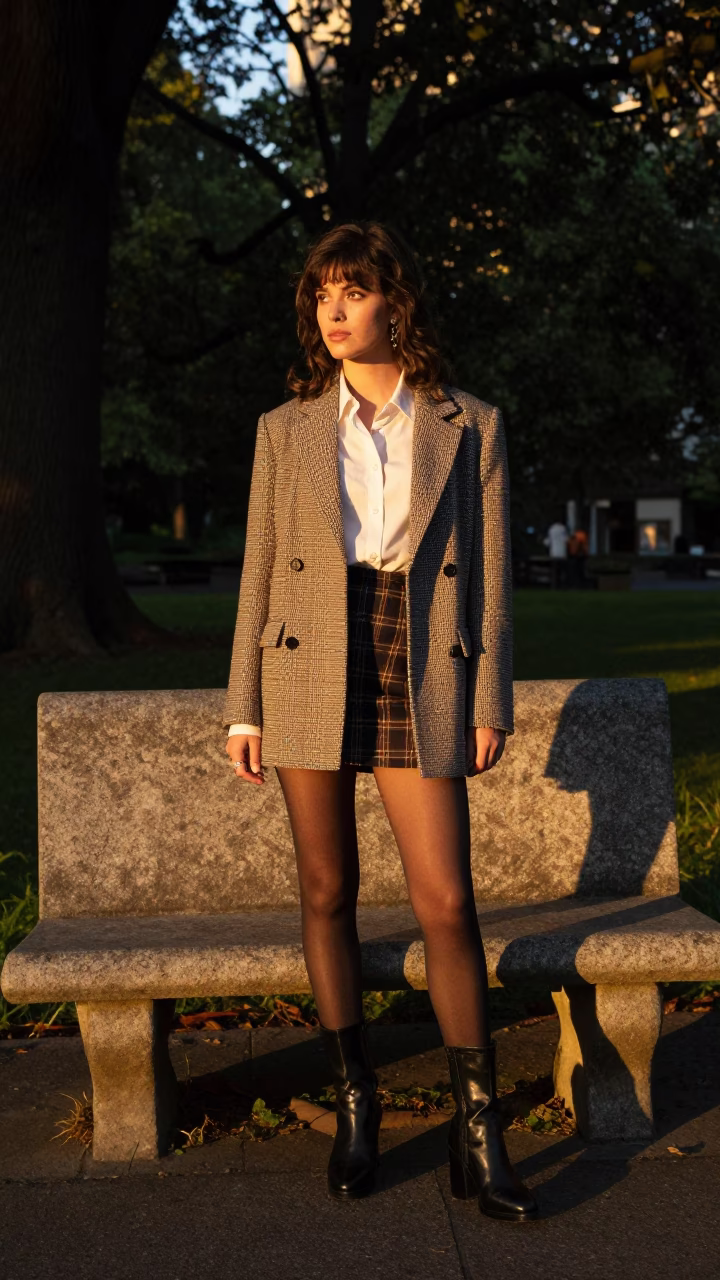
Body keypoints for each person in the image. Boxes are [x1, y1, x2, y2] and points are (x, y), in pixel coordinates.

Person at [222, 221, 536, 1221]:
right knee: (328, 886)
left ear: (396, 302)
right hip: (308, 653)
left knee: (446, 898)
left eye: (352, 290)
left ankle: (475, 1128)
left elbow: (486, 580)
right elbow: (258, 570)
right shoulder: (286, 428)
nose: (334, 309)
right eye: (322, 294)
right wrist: (242, 707)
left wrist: (490, 695)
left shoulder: (468, 423)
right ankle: (358, 1097)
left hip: (420, 651)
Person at [544, 518, 569, 588]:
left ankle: (554, 584)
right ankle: (562, 584)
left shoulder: (551, 529)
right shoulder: (563, 528)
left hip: (554, 552)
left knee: (554, 569)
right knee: (562, 569)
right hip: (562, 553)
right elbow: (566, 539)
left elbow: (548, 541)